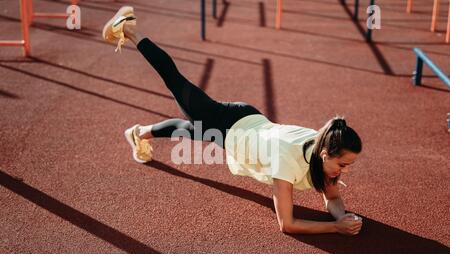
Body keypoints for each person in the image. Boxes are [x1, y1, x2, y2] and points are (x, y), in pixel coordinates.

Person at [102, 6, 363, 236]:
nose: (346, 170)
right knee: (175, 81)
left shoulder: (323, 149)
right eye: (343, 164)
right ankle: (129, 30)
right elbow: (287, 224)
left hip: (248, 119)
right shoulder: (288, 160)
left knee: (192, 130)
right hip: (230, 124)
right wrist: (334, 227)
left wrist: (342, 216)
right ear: (326, 153)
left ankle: (139, 133)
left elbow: (333, 197)